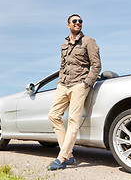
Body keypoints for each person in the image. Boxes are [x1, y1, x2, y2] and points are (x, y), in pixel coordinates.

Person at [47, 14, 101, 171]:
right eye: (75, 21)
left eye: (80, 21)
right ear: (68, 25)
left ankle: (62, 157)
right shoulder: (64, 44)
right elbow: (62, 65)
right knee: (53, 115)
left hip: (79, 84)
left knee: (73, 120)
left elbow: (96, 66)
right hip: (63, 84)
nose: (78, 23)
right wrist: (59, 83)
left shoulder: (89, 41)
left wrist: (86, 84)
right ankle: (69, 155)